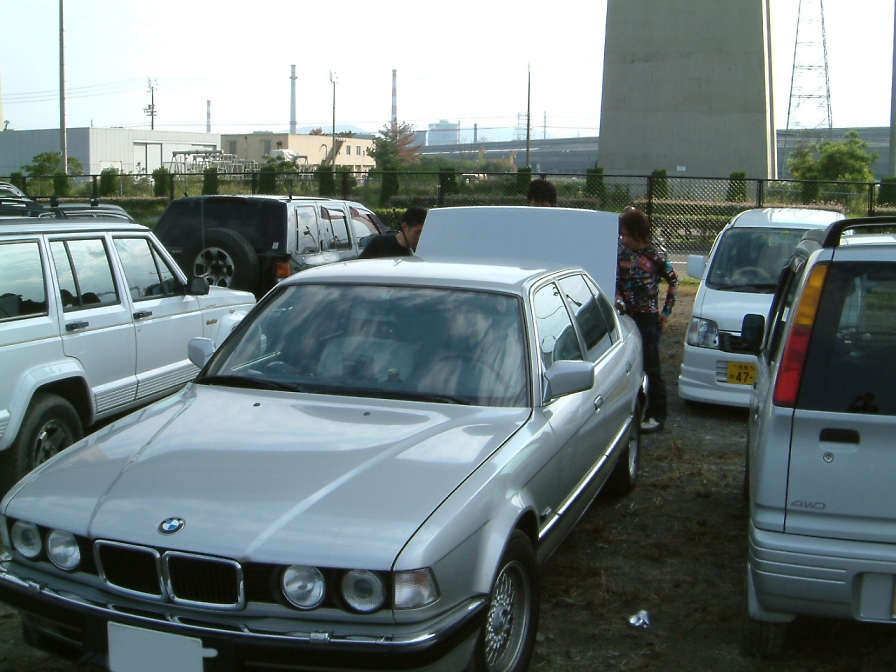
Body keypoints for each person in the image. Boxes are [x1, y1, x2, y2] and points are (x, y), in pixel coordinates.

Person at [616, 208, 678, 434]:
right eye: (622, 235)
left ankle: (657, 414)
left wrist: (666, 311)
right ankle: (635, 409)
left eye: (628, 235)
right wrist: (618, 300)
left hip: (648, 319)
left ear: (639, 234)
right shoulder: (622, 255)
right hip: (625, 316)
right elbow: (617, 283)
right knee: (629, 364)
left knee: (651, 366)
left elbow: (674, 281)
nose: (625, 239)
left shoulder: (654, 256)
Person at [359, 206, 427, 259]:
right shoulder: (379, 244)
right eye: (418, 232)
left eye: (425, 233)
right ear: (404, 227)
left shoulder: (422, 251)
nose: (420, 238)